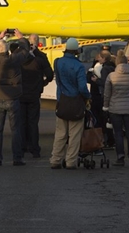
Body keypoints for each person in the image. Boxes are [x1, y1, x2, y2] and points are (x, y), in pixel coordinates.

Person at [0, 29, 30, 166]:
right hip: (13, 98)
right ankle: (17, 158)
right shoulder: (13, 60)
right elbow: (25, 51)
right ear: (7, 50)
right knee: (15, 129)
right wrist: (21, 38)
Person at [49, 38, 91, 170]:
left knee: (60, 133)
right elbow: (82, 87)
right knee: (74, 133)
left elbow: (58, 82)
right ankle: (70, 161)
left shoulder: (58, 62)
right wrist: (88, 97)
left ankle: (55, 159)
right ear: (76, 51)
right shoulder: (79, 66)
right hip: (76, 102)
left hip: (62, 100)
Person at [103, 50, 129, 166]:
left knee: (118, 133)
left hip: (115, 108)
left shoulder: (111, 76)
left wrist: (106, 106)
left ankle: (120, 158)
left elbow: (107, 94)